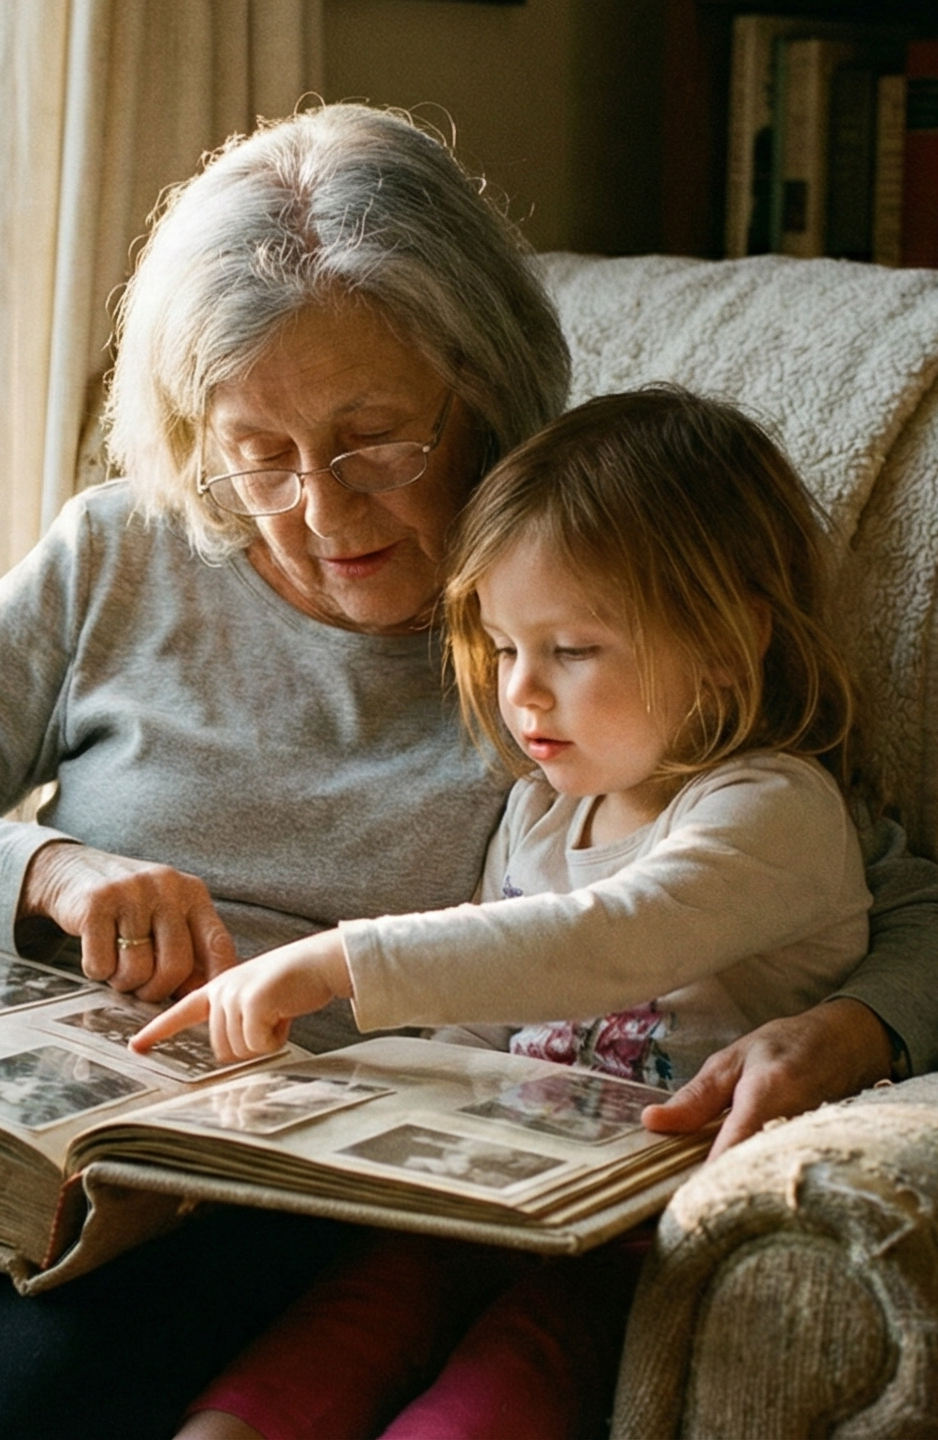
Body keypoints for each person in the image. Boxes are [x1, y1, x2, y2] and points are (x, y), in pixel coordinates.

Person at [0, 103, 938, 1440]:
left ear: (485, 389)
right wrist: (49, 870)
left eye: (374, 441)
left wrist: (863, 1030)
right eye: (257, 452)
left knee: (27, 1396)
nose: (321, 513)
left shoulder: (586, 609)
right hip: (5, 1119)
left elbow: (909, 910)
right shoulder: (119, 559)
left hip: (259, 1191)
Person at [140, 386, 871, 1440]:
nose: (521, 694)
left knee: (501, 1385)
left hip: (628, 1234)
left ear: (725, 641)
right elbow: (470, 1037)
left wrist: (340, 962)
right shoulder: (539, 810)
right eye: (501, 645)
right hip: (481, 1193)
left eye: (570, 650)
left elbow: (608, 940)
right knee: (325, 1340)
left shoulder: (771, 810)